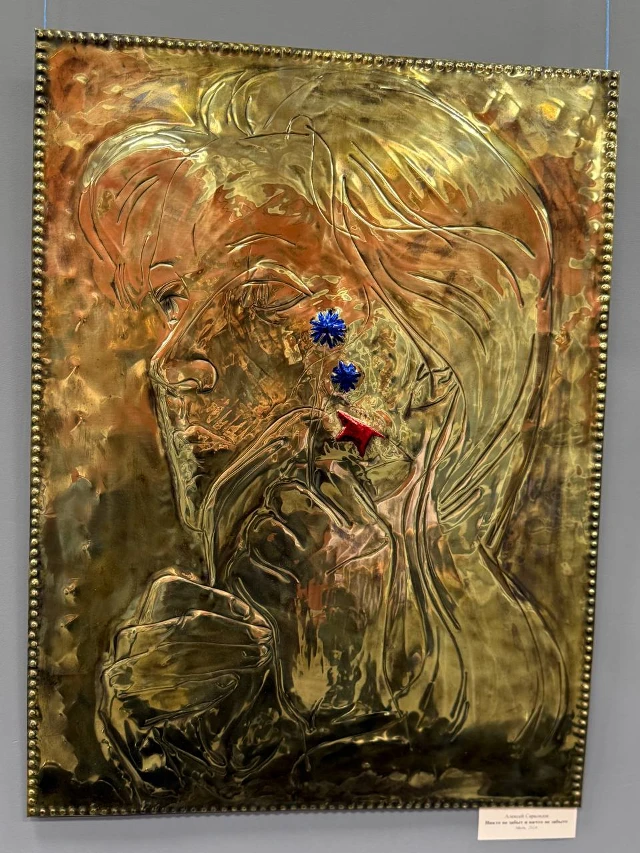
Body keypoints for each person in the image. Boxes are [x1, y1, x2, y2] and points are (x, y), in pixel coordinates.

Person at [79, 65, 567, 805]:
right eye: (174, 300)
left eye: (271, 297)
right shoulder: (211, 648)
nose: (174, 362)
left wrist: (340, 691)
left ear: (435, 369)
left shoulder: (512, 696)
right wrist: (170, 736)